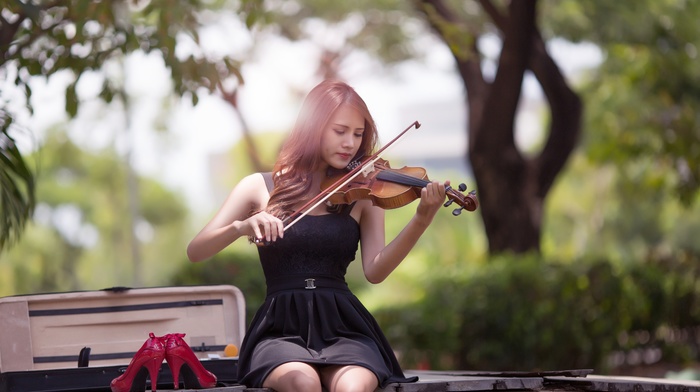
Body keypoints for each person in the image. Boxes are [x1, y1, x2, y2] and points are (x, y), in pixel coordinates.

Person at [187, 79, 448, 392]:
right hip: (280, 328)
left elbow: (376, 270)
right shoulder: (259, 187)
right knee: (302, 382)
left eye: (358, 133)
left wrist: (421, 218)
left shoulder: (363, 192)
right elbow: (196, 250)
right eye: (340, 131)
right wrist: (241, 226)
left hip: (344, 325)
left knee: (353, 387)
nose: (350, 143)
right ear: (312, 127)